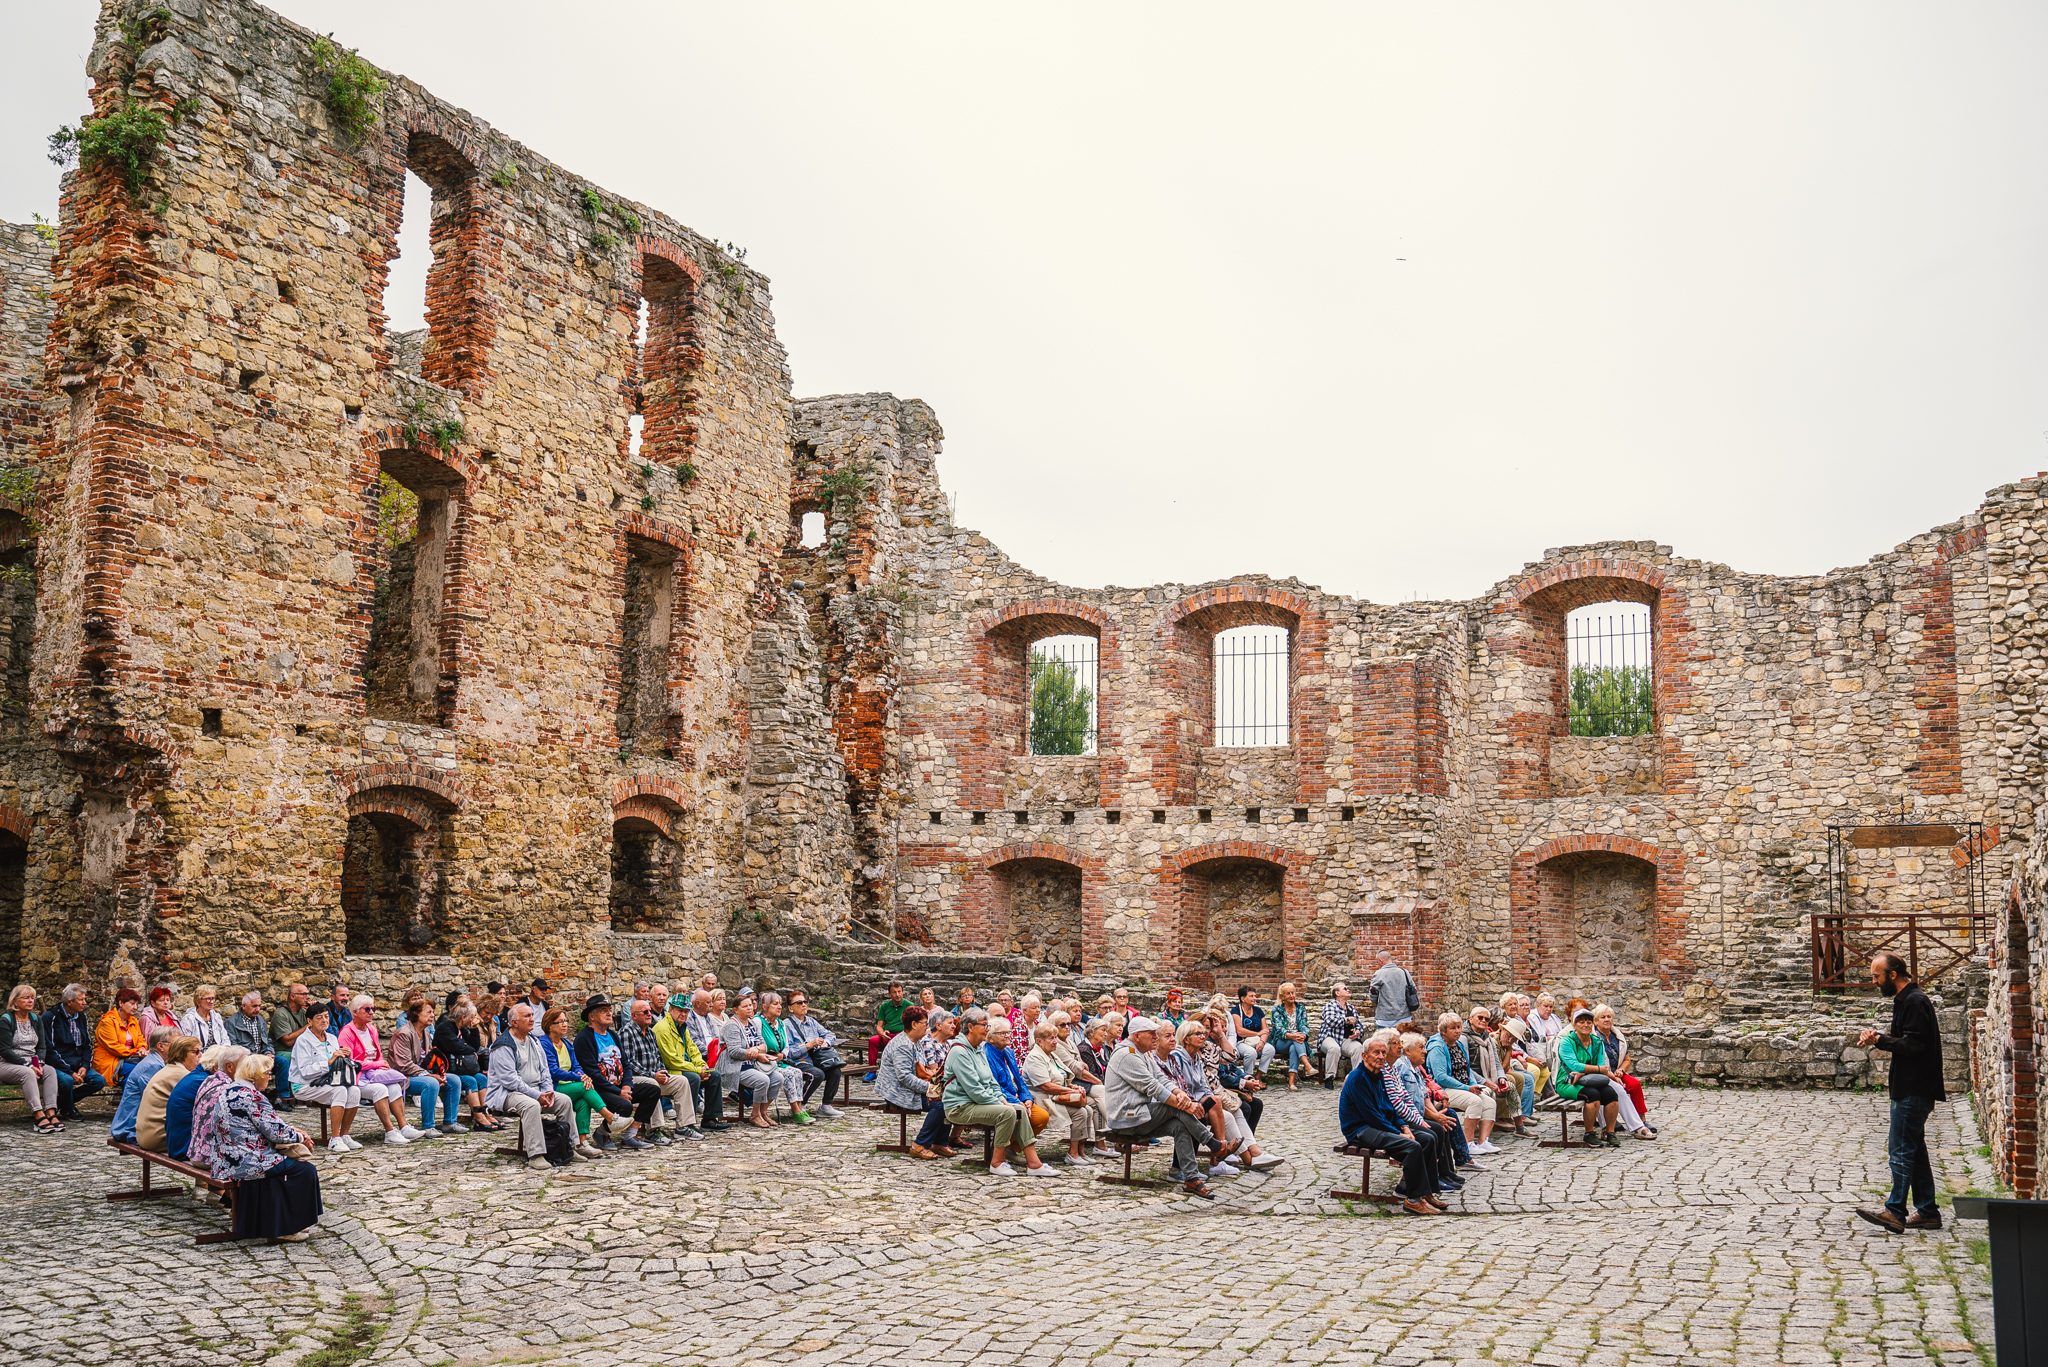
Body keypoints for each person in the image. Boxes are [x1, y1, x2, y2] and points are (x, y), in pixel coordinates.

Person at [1855, 953, 1947, 1234]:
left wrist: (1881, 1040)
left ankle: (1895, 1211)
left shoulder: (1915, 1001)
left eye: (1876, 976)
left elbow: (1915, 1045)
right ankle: (1928, 1212)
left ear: (1892, 975)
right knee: (1915, 1151)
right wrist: (1879, 1037)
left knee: (1901, 1150)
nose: (1873, 981)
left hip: (1914, 1089)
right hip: (1910, 1087)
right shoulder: (1907, 1000)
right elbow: (1907, 1039)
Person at [196, 1055, 323, 1243]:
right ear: (254, 1076)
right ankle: (287, 1227)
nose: (269, 1078)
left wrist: (293, 1131)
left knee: (288, 1168)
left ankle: (281, 1223)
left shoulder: (230, 1090)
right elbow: (275, 1133)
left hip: (225, 1159)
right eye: (267, 1074)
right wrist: (301, 1137)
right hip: (248, 1161)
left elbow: (268, 1124)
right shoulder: (252, 1096)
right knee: (305, 1170)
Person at [1101, 1016, 1215, 1198]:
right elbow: (1152, 1087)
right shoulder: (1127, 1055)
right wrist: (1186, 1105)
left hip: (1140, 1114)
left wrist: (1180, 1093)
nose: (1155, 1036)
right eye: (1151, 1033)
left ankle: (1192, 1179)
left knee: (1180, 1126)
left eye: (1156, 1033)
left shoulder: (1142, 1053)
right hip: (1127, 1117)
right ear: (1137, 1036)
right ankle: (1211, 1142)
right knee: (1176, 1109)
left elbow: (1161, 1079)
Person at [1337, 1035, 1442, 1216]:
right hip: (1361, 1129)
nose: (1380, 1056)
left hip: (1377, 1125)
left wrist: (1404, 1127)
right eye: (1375, 1052)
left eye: (1383, 1053)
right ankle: (1413, 1200)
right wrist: (1399, 1134)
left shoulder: (1379, 1076)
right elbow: (1372, 1116)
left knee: (1428, 1137)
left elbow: (1389, 1108)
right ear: (1364, 1056)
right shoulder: (1357, 1078)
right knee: (1412, 1146)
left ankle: (1426, 1192)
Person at [941, 1008, 1049, 1177]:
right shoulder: (960, 1051)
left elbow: (991, 1082)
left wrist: (1003, 1100)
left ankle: (1034, 1163)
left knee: (1018, 1110)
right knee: (1007, 1113)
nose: (987, 1029)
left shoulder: (977, 1049)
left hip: (976, 1102)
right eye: (984, 1025)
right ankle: (997, 1162)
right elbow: (975, 1090)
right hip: (960, 1106)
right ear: (970, 1027)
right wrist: (1002, 1104)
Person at [487, 1002, 577, 1170]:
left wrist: (548, 1091)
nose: (532, 1019)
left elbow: (545, 1071)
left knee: (564, 1101)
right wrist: (537, 1095)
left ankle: (570, 1145)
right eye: (527, 1016)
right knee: (531, 1105)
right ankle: (536, 1154)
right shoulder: (503, 1045)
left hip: (536, 1090)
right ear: (514, 1022)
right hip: (507, 1093)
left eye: (531, 1015)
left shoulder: (534, 1041)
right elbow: (510, 1081)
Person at [576, 994, 660, 1150]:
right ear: (592, 1017)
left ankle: (631, 1134)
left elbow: (626, 1064)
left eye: (609, 1010)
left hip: (620, 1086)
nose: (609, 1013)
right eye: (603, 1011)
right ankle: (601, 1133)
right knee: (625, 1107)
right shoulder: (584, 1038)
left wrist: (627, 1086)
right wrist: (619, 1092)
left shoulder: (613, 1035)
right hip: (599, 1089)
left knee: (652, 1090)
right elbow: (593, 1073)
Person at [339, 995, 423, 1145]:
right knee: (379, 1090)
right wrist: (376, 1064)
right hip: (356, 1076)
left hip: (373, 1074)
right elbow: (349, 1062)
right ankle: (389, 1131)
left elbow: (378, 1056)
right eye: (367, 1009)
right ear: (354, 1012)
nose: (371, 1012)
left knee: (394, 1087)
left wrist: (380, 1064)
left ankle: (403, 1127)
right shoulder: (346, 1033)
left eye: (373, 1009)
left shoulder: (372, 1030)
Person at [1022, 1019, 1101, 1165]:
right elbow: (1045, 1086)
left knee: (1089, 1110)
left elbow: (1062, 1077)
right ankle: (1072, 1153)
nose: (1055, 1041)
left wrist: (1073, 1087)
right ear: (1039, 1041)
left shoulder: (1051, 1054)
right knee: (1080, 1112)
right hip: (1042, 1099)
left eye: (1055, 1037)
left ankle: (1081, 1151)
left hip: (1056, 1096)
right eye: (1051, 1038)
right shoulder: (1035, 1057)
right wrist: (1069, 1090)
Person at [1425, 1012, 1505, 1153]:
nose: (1457, 1031)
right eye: (1453, 1028)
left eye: (1458, 1027)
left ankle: (1483, 1141)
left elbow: (1467, 1068)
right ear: (1443, 1031)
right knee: (1475, 1102)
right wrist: (1467, 1088)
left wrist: (1474, 1085)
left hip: (1463, 1087)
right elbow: (1440, 1077)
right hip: (1444, 1090)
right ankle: (1467, 1144)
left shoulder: (1458, 1044)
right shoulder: (1437, 1047)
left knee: (1489, 1103)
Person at [289, 1001, 363, 1153]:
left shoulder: (331, 1038)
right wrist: (329, 1061)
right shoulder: (303, 1041)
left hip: (328, 1081)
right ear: (309, 1021)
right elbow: (305, 1071)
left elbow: (337, 1063)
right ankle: (334, 1139)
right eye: (319, 1017)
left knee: (354, 1091)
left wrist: (344, 1055)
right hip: (304, 1085)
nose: (324, 1020)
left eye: (326, 1016)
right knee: (340, 1091)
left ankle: (344, 1135)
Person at [539, 1005, 610, 1157]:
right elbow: (553, 1071)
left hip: (569, 1087)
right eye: (560, 1022)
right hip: (553, 1088)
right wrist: (579, 1078)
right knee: (584, 1088)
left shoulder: (566, 1043)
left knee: (583, 1102)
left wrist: (584, 1076)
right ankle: (610, 1117)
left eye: (565, 1021)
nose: (565, 1024)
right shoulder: (544, 1044)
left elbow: (576, 1065)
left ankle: (581, 1143)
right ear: (550, 1025)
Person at [877, 1006, 945, 1158]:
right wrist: (930, 1088)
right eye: (925, 1024)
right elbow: (904, 1077)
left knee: (949, 1099)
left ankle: (940, 1142)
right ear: (914, 1024)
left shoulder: (916, 1041)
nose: (927, 1028)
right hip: (898, 1091)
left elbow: (921, 1068)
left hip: (910, 1088)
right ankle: (920, 1145)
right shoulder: (902, 1045)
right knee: (940, 1104)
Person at [620, 996, 690, 1143]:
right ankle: (653, 1130)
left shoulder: (651, 1033)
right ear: (634, 1016)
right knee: (651, 1084)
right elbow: (628, 1063)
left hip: (654, 1076)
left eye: (649, 1011)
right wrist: (653, 1075)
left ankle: (683, 1127)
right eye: (645, 1012)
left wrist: (662, 1073)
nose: (649, 1014)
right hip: (634, 1079)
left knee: (682, 1081)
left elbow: (658, 1058)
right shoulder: (627, 1033)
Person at [391, 999, 465, 1137]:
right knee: (430, 1083)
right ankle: (428, 1126)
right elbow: (404, 1065)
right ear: (416, 1014)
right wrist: (430, 1076)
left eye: (433, 1012)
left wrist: (439, 1073)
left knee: (453, 1080)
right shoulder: (404, 1033)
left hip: (421, 1074)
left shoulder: (425, 1032)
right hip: (403, 1077)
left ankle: (450, 1123)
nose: (432, 1015)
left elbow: (429, 1058)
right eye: (428, 1012)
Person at [730, 994, 802, 1128]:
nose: (749, 1008)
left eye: (750, 1005)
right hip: (738, 1066)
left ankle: (763, 1112)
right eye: (745, 1006)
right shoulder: (733, 1025)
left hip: (755, 1063)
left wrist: (756, 1050)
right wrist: (755, 1054)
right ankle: (755, 1114)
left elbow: (763, 1045)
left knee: (778, 1078)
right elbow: (734, 1052)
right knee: (763, 1080)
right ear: (736, 1009)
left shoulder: (751, 1024)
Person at [658, 992, 726, 1132]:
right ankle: (688, 1122)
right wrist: (697, 1070)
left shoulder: (682, 1027)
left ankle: (710, 1119)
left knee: (714, 1075)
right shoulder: (663, 1028)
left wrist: (702, 1065)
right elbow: (672, 1061)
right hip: (670, 1070)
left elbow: (693, 1050)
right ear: (670, 1010)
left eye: (686, 1011)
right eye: (680, 1010)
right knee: (693, 1078)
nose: (683, 1014)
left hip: (685, 1067)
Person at [1555, 1008, 1621, 1147]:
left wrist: (1585, 1072)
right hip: (1568, 1082)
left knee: (1611, 1094)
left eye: (1588, 1022)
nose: (1585, 1025)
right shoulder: (1567, 1042)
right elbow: (1574, 1066)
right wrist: (1596, 1069)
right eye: (1581, 1022)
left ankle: (1610, 1132)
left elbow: (1601, 1065)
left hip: (1588, 1079)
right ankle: (1589, 1133)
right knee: (1592, 1095)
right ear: (1574, 1024)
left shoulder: (1597, 1041)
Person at [1589, 1005, 1656, 1139]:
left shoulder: (1617, 1035)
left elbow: (1627, 1059)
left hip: (1617, 1072)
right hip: (1603, 1074)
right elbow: (1597, 1064)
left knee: (1635, 1084)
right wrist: (1612, 1076)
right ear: (1596, 1021)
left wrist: (1621, 1070)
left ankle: (1642, 1120)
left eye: (1609, 1017)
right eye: (1603, 1017)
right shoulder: (1593, 1038)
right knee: (1608, 1090)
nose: (1607, 1020)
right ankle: (1609, 1127)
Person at [3, 984, 63, 1133]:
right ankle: (38, 1115)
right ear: (15, 1001)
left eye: (32, 998)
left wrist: (40, 1063)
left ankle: (51, 1112)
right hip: (6, 1063)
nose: (31, 1001)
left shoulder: (36, 1019)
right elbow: (4, 1050)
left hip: (31, 1062)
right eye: (26, 998)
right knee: (28, 1073)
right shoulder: (6, 1020)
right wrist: (28, 1065)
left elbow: (42, 1047)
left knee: (49, 1071)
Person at [434, 995, 499, 1132]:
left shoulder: (463, 1029)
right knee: (470, 1081)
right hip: (446, 1069)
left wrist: (474, 1030)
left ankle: (486, 1113)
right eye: (472, 1017)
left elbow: (473, 1047)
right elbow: (457, 1047)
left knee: (481, 1078)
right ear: (463, 1017)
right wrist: (469, 1050)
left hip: (461, 1068)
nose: (473, 1019)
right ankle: (479, 1117)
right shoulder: (445, 1028)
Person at [1466, 1006, 1533, 1137]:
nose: (1510, 1040)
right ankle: (1495, 1119)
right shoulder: (1474, 1038)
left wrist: (1501, 1078)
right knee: (1509, 1081)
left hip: (1489, 1076)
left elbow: (1497, 1066)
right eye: (1480, 1018)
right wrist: (1490, 1081)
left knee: (1512, 1084)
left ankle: (1519, 1125)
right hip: (1476, 1079)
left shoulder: (1487, 1039)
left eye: (1486, 1019)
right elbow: (1467, 1067)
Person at [42, 983, 104, 1120]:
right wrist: (70, 1072)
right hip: (57, 1064)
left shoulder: (81, 1017)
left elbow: (87, 1045)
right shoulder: (50, 1017)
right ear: (69, 1002)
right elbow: (49, 1049)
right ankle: (69, 1109)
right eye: (81, 1000)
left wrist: (85, 1066)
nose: (84, 1003)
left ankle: (62, 1103)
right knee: (67, 1081)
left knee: (99, 1081)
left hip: (78, 1062)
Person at [782, 990, 846, 1119]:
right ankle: (800, 1106)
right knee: (817, 1074)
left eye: (805, 1001)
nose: (804, 1005)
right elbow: (788, 1052)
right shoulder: (786, 1025)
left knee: (835, 1070)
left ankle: (826, 1106)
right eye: (799, 1002)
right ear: (790, 1008)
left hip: (817, 1060)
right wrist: (808, 1045)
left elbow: (830, 1034)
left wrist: (826, 1043)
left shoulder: (811, 1021)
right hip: (799, 1062)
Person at [135, 1035, 201, 1152]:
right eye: (196, 1052)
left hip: (146, 1135)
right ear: (182, 1054)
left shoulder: (169, 1069)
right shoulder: (182, 1075)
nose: (200, 1055)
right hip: (158, 1138)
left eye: (201, 1051)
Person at [109, 1026, 175, 1142]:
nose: (180, 1048)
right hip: (130, 1129)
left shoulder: (156, 1062)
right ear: (161, 1046)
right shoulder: (153, 1066)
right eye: (176, 1043)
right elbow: (156, 1101)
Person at [164, 1043, 220, 1161]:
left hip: (177, 1142)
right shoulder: (206, 1082)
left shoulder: (196, 1076)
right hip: (185, 1147)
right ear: (216, 1067)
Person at [222, 990, 279, 1104]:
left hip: (262, 1055)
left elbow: (267, 1040)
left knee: (282, 1062)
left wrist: (268, 1052)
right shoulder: (232, 1022)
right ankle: (255, 1096)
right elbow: (234, 1045)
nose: (257, 1009)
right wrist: (256, 1057)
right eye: (254, 1006)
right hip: (246, 1057)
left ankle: (280, 1098)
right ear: (244, 1006)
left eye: (259, 1006)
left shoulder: (261, 1020)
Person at [94, 986, 149, 1090]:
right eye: (132, 1004)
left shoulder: (133, 1021)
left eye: (137, 1004)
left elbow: (140, 1039)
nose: (135, 1007)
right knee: (138, 1072)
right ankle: (131, 1103)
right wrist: (136, 1051)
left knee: (151, 1068)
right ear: (121, 1003)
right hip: (110, 1062)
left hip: (128, 1059)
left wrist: (142, 1048)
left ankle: (130, 1102)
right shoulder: (107, 1022)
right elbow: (114, 1048)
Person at [267, 983, 313, 1106]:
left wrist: (314, 1013)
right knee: (290, 1058)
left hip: (301, 1050)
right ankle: (283, 1097)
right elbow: (287, 1041)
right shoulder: (281, 1014)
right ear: (292, 996)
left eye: (307, 994)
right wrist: (308, 1026)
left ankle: (312, 1093)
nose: (307, 997)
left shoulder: (305, 1013)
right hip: (284, 1050)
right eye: (304, 994)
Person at [1319, 982, 1365, 1088]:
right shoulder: (1330, 1006)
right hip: (1329, 1037)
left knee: (1358, 1048)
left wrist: (1357, 1032)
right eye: (1345, 988)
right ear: (1337, 993)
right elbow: (1330, 1021)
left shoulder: (1351, 1008)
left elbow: (1360, 1025)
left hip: (1345, 1039)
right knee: (1334, 1048)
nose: (1348, 990)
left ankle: (1357, 1079)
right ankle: (1329, 1078)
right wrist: (1346, 1020)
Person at [1271, 983, 1312, 1088]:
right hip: (1281, 1041)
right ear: (1282, 997)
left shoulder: (1300, 1008)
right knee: (1296, 1040)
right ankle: (1307, 1065)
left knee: (1294, 1046)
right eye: (1288, 994)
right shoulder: (1277, 1009)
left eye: (1293, 993)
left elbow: (1304, 1025)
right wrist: (1292, 1036)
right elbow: (1278, 1029)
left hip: (1297, 1040)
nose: (1291, 995)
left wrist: (1303, 1035)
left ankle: (1291, 1083)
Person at [866, 982, 908, 1080]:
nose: (897, 995)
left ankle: (890, 1073)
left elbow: (912, 1025)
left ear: (902, 992)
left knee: (891, 1044)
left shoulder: (909, 1005)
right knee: (872, 1040)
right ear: (889, 994)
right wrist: (882, 1033)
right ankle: (872, 1071)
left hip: (901, 1037)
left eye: (899, 992)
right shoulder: (885, 1006)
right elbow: (879, 1026)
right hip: (887, 1035)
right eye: (894, 992)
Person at [1369, 950, 1420, 1030]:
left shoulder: (1378, 974)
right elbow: (1413, 990)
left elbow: (1373, 994)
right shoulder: (1404, 973)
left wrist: (1375, 1000)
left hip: (1385, 1018)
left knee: (1385, 1041)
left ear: (1380, 960)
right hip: (1404, 1017)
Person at [1231, 987, 1275, 1075]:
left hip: (1257, 1041)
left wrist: (1262, 1042)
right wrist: (1257, 1033)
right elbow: (1239, 1031)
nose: (1254, 998)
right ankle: (1248, 1077)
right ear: (1243, 999)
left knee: (1270, 1049)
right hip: (1241, 1042)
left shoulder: (1258, 1011)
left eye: (1255, 996)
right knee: (1250, 1053)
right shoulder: (1236, 1011)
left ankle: (1258, 1076)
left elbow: (1265, 1030)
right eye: (1251, 996)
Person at [179, 985, 229, 1051]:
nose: (211, 1002)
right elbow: (186, 1043)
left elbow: (225, 1038)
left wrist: (224, 1050)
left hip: (218, 1054)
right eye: (208, 999)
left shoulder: (216, 1017)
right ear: (198, 1002)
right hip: (199, 1056)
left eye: (213, 998)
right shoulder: (189, 1019)